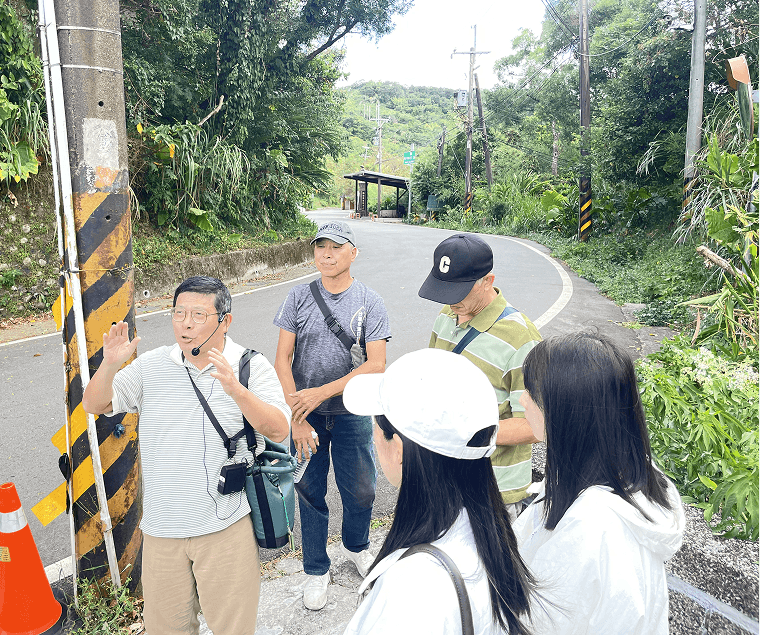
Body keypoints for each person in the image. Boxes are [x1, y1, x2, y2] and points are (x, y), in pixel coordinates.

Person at [82, 276, 290, 635]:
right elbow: (95, 403)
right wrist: (110, 364)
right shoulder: (152, 366)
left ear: (225, 320)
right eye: (179, 313)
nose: (187, 324)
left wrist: (237, 391)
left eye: (198, 314)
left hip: (225, 527)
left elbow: (278, 429)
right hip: (162, 531)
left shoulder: (248, 366)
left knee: (233, 629)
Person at [342, 349, 537, 635]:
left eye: (375, 425)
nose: (373, 435)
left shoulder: (411, 591)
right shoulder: (495, 534)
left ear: (398, 449)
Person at [513, 332, 686, 634]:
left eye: (533, 392)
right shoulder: (634, 479)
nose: (522, 399)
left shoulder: (590, 527)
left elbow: (538, 624)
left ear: (568, 414)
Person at [273, 221, 390, 611]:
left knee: (361, 489)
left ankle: (357, 547)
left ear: (352, 252)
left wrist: (320, 392)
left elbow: (376, 365)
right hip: (306, 418)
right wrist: (297, 414)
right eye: (320, 247)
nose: (326, 254)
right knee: (309, 492)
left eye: (336, 247)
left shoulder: (369, 301)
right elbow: (281, 359)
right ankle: (315, 570)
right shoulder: (297, 297)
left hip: (353, 413)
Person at [418, 233, 541, 519]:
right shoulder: (445, 316)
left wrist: (468, 430)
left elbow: (536, 426)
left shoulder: (521, 338)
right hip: (443, 481)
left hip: (493, 491)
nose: (450, 303)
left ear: (488, 281)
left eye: (458, 291)